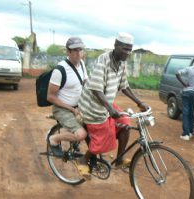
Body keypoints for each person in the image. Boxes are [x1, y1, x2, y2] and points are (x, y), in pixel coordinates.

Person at [78, 32, 149, 168]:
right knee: (106, 138)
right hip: (93, 106)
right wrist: (110, 109)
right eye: (125, 49)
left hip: (106, 105)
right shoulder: (102, 61)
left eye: (130, 49)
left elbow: (124, 86)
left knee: (125, 124)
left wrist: (139, 102)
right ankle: (83, 159)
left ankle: (119, 160)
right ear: (116, 45)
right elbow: (96, 89)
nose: (128, 52)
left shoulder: (121, 63)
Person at [46, 37, 90, 177]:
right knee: (81, 134)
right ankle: (53, 139)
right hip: (63, 109)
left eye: (80, 50)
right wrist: (71, 109)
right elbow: (50, 97)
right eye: (75, 50)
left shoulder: (82, 64)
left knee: (96, 126)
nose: (78, 53)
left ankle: (88, 156)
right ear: (68, 52)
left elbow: (85, 84)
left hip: (78, 107)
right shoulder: (60, 70)